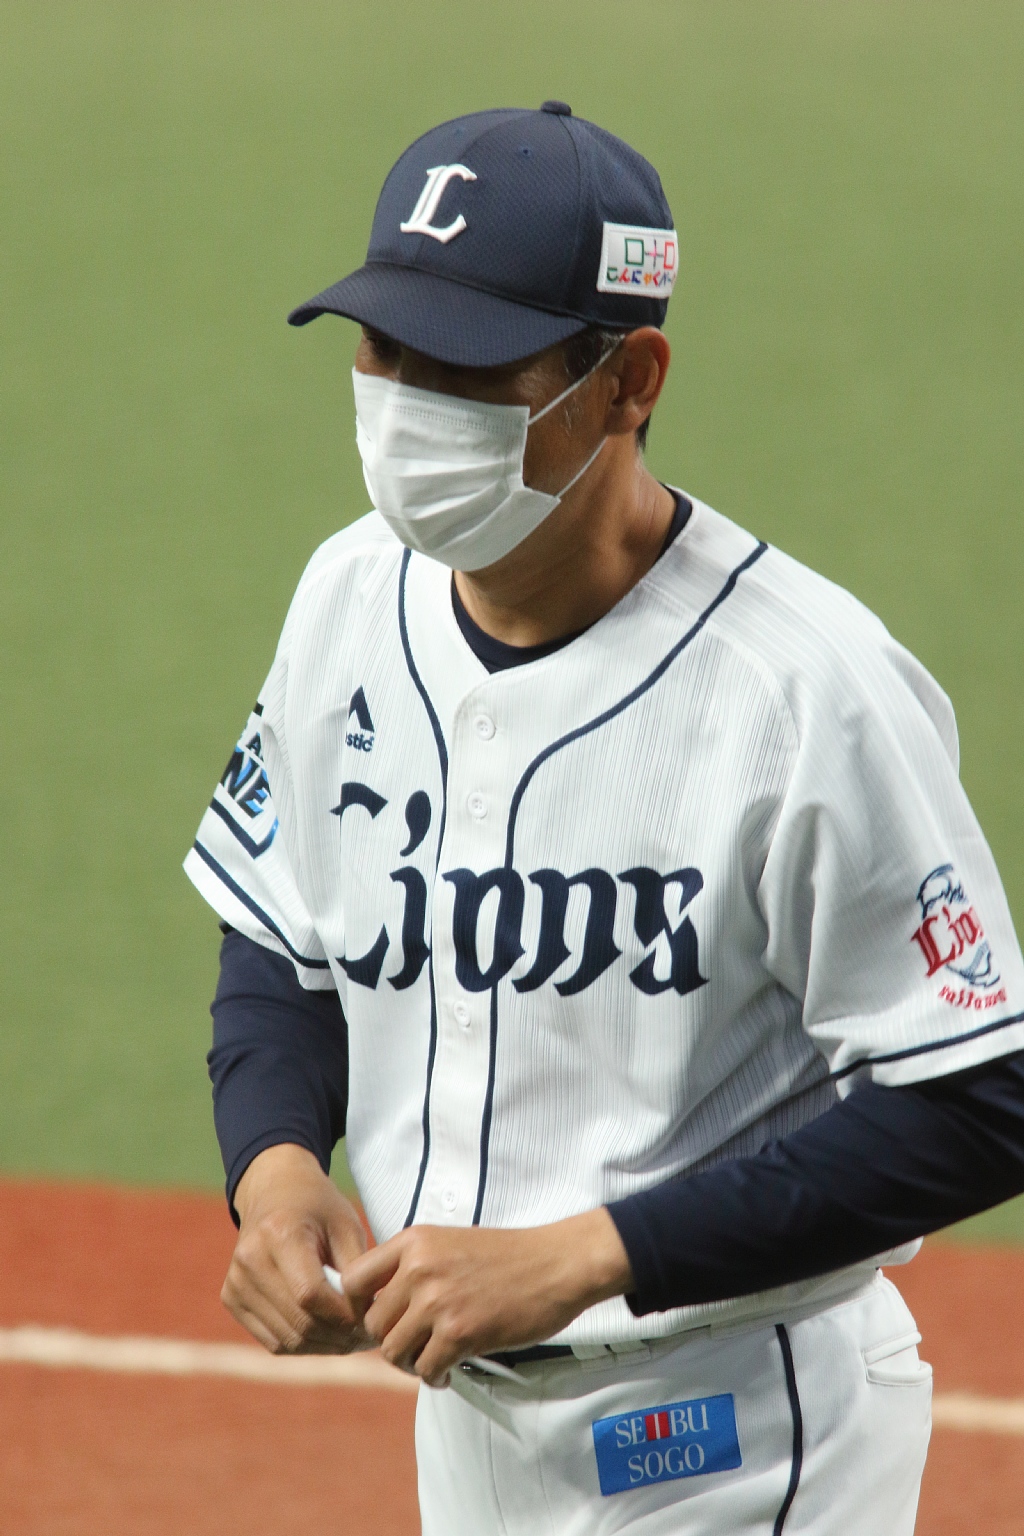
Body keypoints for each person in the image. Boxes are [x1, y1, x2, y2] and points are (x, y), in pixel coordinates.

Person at [185, 102, 1024, 1534]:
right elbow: (282, 934)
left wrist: (589, 1254)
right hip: (465, 1429)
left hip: (738, 1435)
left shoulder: (806, 690)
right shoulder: (347, 597)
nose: (407, 401)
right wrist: (275, 1170)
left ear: (629, 380)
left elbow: (979, 1097)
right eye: (385, 348)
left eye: (467, 364)